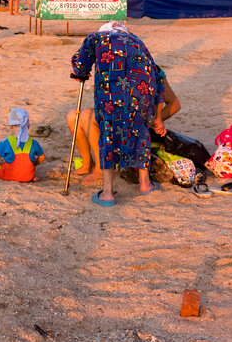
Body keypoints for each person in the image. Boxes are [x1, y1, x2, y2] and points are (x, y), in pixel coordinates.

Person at [70, 21, 166, 206]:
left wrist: (81, 72)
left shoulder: (97, 37)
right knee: (140, 131)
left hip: (111, 92)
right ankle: (145, 184)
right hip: (142, 91)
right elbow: (160, 77)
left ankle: (107, 194)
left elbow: (80, 64)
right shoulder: (138, 42)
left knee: (108, 134)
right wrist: (159, 118)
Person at [68, 77, 179, 185]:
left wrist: (152, 122)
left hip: (135, 127)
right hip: (116, 118)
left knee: (87, 115)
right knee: (73, 116)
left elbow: (174, 104)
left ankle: (100, 169)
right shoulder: (118, 63)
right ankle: (87, 164)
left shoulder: (153, 69)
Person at [0, 108, 46, 182]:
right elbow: (42, 157)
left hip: (9, 175)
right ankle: (32, 176)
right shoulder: (33, 142)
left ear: (10, 126)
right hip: (28, 176)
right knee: (27, 167)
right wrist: (33, 164)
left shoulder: (6, 141)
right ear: (28, 126)